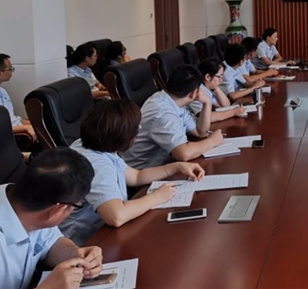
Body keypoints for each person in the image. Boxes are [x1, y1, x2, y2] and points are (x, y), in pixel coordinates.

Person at [59, 100, 206, 245]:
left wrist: (176, 167)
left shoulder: (95, 144)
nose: (139, 129)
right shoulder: (96, 165)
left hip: (105, 231)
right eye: (135, 129)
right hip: (87, 241)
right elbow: (116, 216)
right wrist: (157, 197)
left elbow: (136, 177)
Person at [0, 147, 103, 289]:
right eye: (76, 206)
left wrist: (76, 255)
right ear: (58, 210)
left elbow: (51, 244)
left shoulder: (27, 200)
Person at [122, 65, 225, 170]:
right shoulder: (162, 112)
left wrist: (207, 102)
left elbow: (201, 132)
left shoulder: (173, 101)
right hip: (142, 174)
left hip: (163, 166)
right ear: (195, 93)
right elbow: (183, 153)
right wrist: (213, 141)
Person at [0, 53, 36, 140]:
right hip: (6, 138)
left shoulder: (2, 91)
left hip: (16, 130)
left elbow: (12, 119)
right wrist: (26, 128)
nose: (12, 71)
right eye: (10, 69)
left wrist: (33, 124)